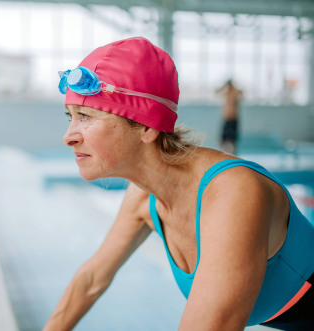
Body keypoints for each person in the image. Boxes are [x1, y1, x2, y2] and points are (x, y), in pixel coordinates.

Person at [43, 37, 314, 330]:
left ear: (146, 126)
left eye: (85, 116)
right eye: (70, 117)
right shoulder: (143, 197)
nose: (68, 136)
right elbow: (91, 280)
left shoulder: (232, 192)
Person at [216, 79, 243, 155]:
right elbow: (216, 92)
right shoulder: (226, 93)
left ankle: (234, 155)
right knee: (223, 140)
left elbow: (241, 93)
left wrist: (233, 86)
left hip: (233, 119)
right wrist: (224, 86)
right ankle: (223, 154)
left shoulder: (235, 93)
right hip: (226, 119)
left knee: (232, 140)